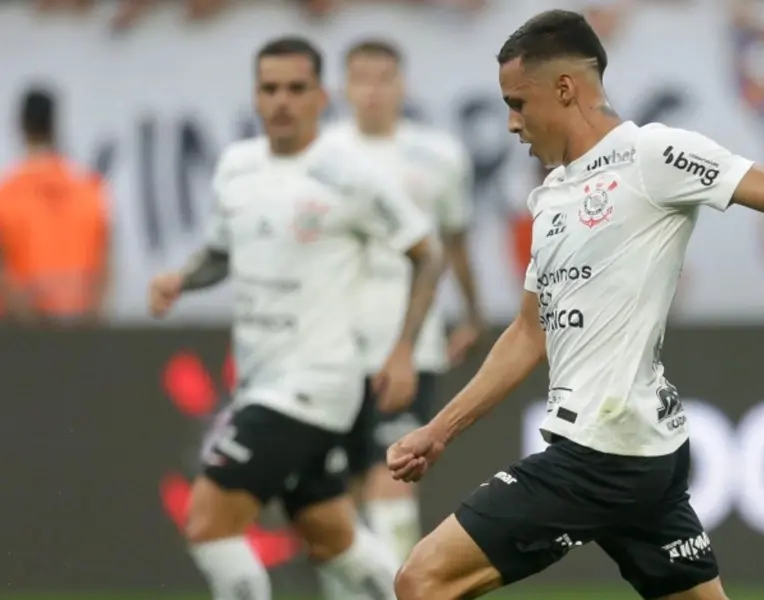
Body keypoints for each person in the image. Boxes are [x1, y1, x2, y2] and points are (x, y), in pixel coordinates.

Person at [385, 9, 764, 600]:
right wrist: (440, 430)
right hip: (643, 451)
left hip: (601, 453)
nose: (512, 123)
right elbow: (529, 332)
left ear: (564, 88)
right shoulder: (551, 198)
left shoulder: (652, 154)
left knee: (422, 581)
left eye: (518, 103)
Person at [147, 36, 444, 600]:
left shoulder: (350, 174)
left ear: (320, 97)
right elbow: (220, 254)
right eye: (270, 88)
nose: (282, 100)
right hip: (260, 379)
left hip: (314, 383)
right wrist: (181, 280)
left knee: (208, 523)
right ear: (256, 96)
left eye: (296, 88)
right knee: (330, 535)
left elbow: (426, 254)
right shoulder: (237, 168)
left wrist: (403, 348)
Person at [328, 38, 482, 570]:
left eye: (383, 78)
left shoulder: (439, 156)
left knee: (391, 473)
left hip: (409, 343)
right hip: (332, 343)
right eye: (361, 79)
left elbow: (454, 241)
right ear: (343, 88)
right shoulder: (322, 156)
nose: (373, 91)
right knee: (340, 491)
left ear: (403, 85)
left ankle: (402, 587)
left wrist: (472, 313)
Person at [0, 87, 110, 325]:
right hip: (81, 331)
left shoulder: (6, 196)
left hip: (21, 336)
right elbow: (104, 270)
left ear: (22, 126)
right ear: (54, 126)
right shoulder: (89, 191)